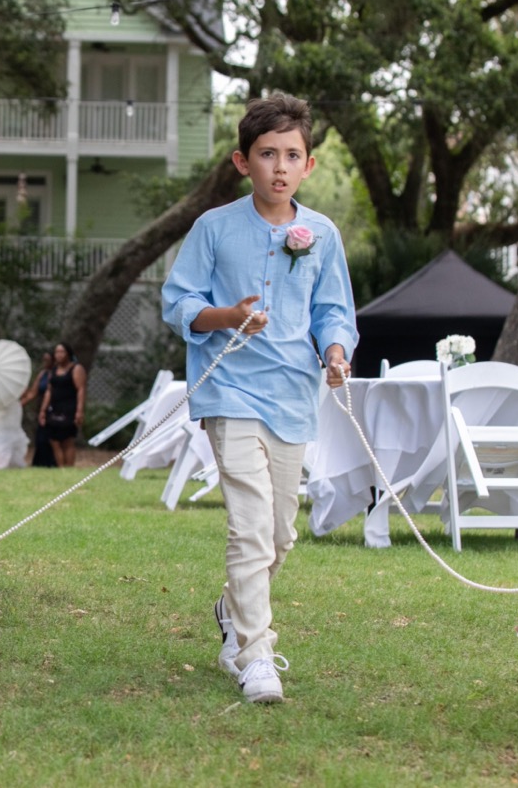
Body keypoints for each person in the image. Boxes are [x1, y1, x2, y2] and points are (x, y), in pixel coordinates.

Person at [161, 94, 357, 705]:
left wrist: (334, 351)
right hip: (229, 389)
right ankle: (254, 655)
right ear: (243, 163)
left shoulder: (320, 234)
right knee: (249, 529)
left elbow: (333, 310)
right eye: (267, 154)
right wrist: (228, 317)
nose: (279, 166)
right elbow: (179, 302)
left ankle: (231, 608)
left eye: (291, 155)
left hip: (294, 397)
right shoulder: (213, 228)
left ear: (309, 165)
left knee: (279, 535)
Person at [38, 342, 87, 467]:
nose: (59, 355)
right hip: (55, 408)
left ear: (68, 353)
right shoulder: (53, 370)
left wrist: (79, 411)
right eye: (57, 352)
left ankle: (69, 467)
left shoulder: (76, 369)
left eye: (62, 352)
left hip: (69, 407)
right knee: (54, 440)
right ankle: (60, 468)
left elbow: (81, 389)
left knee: (67, 440)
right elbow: (49, 390)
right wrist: (43, 410)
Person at [20, 351, 58, 468]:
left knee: (53, 438)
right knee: (41, 438)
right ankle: (40, 463)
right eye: (44, 360)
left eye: (47, 360)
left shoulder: (57, 374)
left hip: (56, 409)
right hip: (41, 408)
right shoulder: (43, 374)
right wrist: (20, 404)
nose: (45, 363)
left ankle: (55, 464)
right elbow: (33, 393)